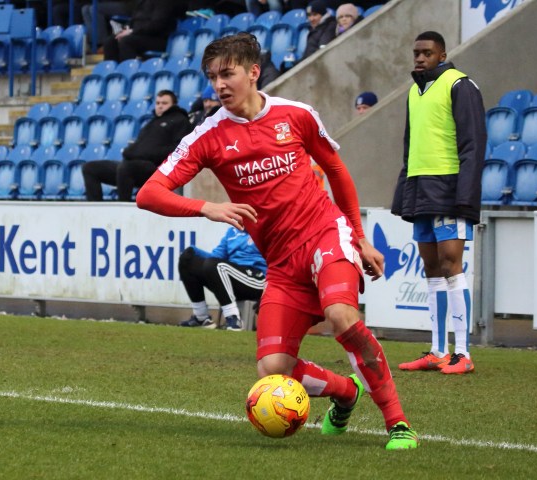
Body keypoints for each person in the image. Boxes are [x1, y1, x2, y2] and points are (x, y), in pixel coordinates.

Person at [136, 32, 418, 450]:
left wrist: (359, 237)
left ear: (253, 72)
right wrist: (206, 208)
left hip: (324, 233)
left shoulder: (296, 115)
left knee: (341, 316)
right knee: (272, 370)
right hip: (283, 266)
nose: (219, 85)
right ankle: (346, 391)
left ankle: (397, 422)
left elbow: (336, 170)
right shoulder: (207, 136)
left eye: (227, 74)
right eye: (212, 77)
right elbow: (148, 194)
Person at [391, 31, 486, 375]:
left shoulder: (460, 85)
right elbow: (409, 146)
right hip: (420, 187)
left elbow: (473, 143)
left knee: (450, 265)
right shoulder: (414, 91)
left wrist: (465, 196)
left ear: (442, 55)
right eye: (416, 52)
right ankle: (437, 350)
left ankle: (463, 353)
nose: (420, 58)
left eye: (427, 53)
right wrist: (404, 190)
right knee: (430, 267)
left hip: (448, 188)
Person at [82, 90, 191, 202]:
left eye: (164, 103)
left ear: (174, 104)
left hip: (157, 169)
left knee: (127, 167)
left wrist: (147, 154)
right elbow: (139, 146)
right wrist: (130, 152)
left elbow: (178, 150)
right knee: (90, 168)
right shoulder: (152, 123)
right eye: (158, 103)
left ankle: (122, 207)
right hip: (133, 165)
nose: (160, 106)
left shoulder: (180, 121)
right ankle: (95, 207)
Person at [178, 226, 267, 330]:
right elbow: (216, 257)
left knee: (216, 265)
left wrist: (268, 291)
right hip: (234, 276)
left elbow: (277, 261)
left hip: (257, 279)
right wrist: (194, 251)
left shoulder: (266, 229)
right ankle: (201, 317)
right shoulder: (232, 231)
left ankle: (234, 319)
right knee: (187, 260)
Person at [103, 1, 186, 62]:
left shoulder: (164, 2)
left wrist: (133, 31)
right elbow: (135, 19)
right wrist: (126, 28)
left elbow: (157, 25)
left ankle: (129, 73)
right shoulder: (143, 2)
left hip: (159, 39)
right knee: (111, 41)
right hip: (140, 34)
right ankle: (112, 75)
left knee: (126, 41)